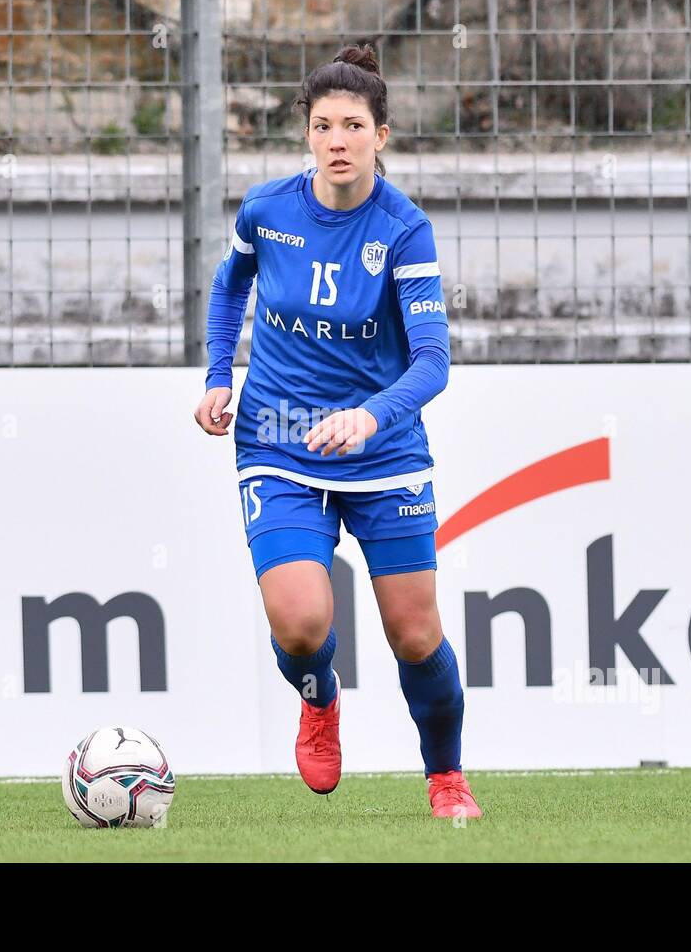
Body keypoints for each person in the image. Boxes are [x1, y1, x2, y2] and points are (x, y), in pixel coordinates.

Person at [193, 44, 481, 819]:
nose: (338, 139)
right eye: (324, 125)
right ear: (308, 134)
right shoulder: (268, 211)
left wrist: (370, 414)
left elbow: (432, 363)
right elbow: (230, 287)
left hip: (381, 452)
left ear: (381, 135)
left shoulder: (404, 230)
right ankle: (319, 699)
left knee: (416, 637)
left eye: (354, 124)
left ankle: (446, 777)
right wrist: (220, 374)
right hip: (278, 439)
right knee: (300, 621)